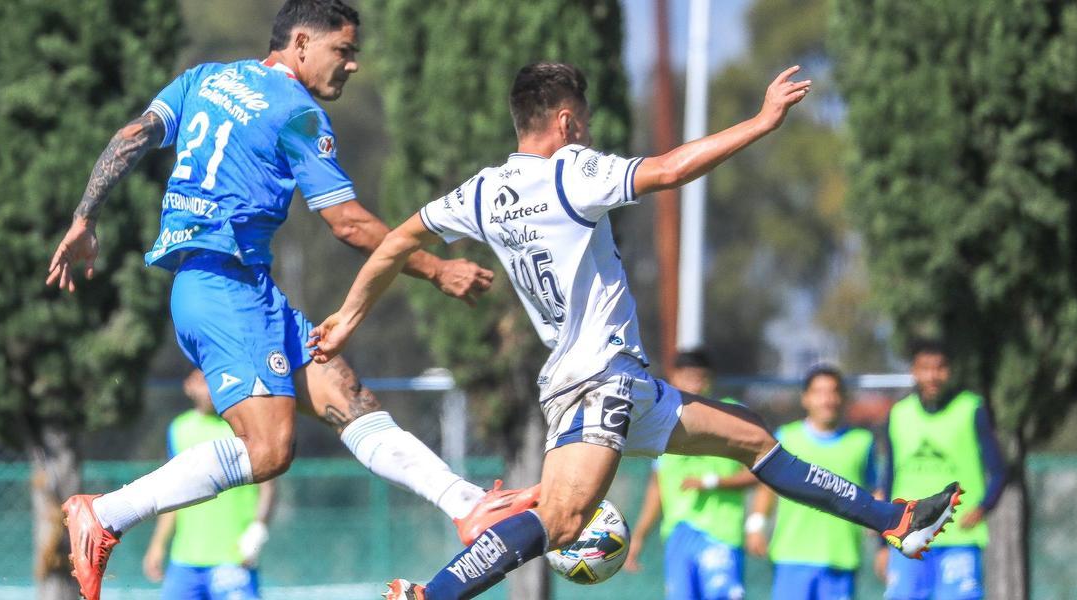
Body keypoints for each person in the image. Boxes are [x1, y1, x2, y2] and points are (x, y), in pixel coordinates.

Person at [308, 61, 963, 600]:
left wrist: (350, 314)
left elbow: (395, 242)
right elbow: (672, 169)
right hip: (602, 379)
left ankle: (896, 519)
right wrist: (761, 123)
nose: (588, 133)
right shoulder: (573, 171)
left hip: (606, 380)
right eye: (584, 123)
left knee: (755, 437)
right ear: (566, 122)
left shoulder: (481, 192)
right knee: (562, 521)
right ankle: (434, 596)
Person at [46, 3, 536, 598]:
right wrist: (437, 269)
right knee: (269, 448)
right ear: (301, 43)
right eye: (344, 51)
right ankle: (106, 515)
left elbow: (131, 138)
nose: (353, 65)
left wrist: (84, 216)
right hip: (225, 289)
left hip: (239, 287)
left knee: (347, 396)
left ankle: (467, 506)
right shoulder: (298, 114)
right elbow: (348, 224)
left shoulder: (204, 79)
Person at [876, 340, 1006, 600]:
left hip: (959, 537)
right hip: (907, 538)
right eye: (925, 368)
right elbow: (889, 479)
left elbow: (999, 470)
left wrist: (983, 507)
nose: (932, 376)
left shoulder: (971, 409)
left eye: (940, 368)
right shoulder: (899, 414)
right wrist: (882, 544)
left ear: (950, 371)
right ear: (914, 370)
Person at [624, 349, 757, 600]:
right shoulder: (662, 421)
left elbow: (758, 474)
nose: (696, 382)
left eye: (702, 376)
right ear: (674, 377)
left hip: (721, 533)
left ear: (711, 379)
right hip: (678, 534)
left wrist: (713, 482)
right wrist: (639, 536)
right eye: (688, 376)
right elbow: (657, 485)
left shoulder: (734, 414)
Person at [744, 365, 876, 600]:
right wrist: (756, 525)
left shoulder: (862, 442)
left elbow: (874, 490)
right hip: (792, 557)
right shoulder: (786, 437)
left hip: (841, 557)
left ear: (843, 398)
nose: (827, 399)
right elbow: (767, 487)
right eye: (819, 392)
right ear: (806, 398)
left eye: (833, 391)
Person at [142, 370, 277, 600]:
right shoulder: (179, 429)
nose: (209, 389)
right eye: (203, 382)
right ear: (189, 386)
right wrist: (157, 545)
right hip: (185, 559)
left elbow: (269, 487)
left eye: (215, 380)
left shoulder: (245, 427)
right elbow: (174, 492)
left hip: (232, 558)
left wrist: (256, 534)